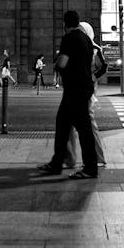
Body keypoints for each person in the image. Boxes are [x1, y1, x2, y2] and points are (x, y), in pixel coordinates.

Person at [37, 10, 98, 180]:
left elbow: (63, 63)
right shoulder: (86, 39)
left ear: (65, 24)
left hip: (74, 89)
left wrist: (57, 62)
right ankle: (57, 163)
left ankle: (90, 168)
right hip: (84, 87)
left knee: (83, 129)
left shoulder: (69, 38)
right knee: (64, 125)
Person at [66, 21, 107, 168]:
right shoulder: (76, 46)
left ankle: (97, 158)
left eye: (83, 31)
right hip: (75, 87)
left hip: (87, 89)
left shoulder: (95, 48)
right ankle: (70, 159)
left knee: (88, 121)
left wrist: (92, 78)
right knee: (69, 122)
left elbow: (103, 67)